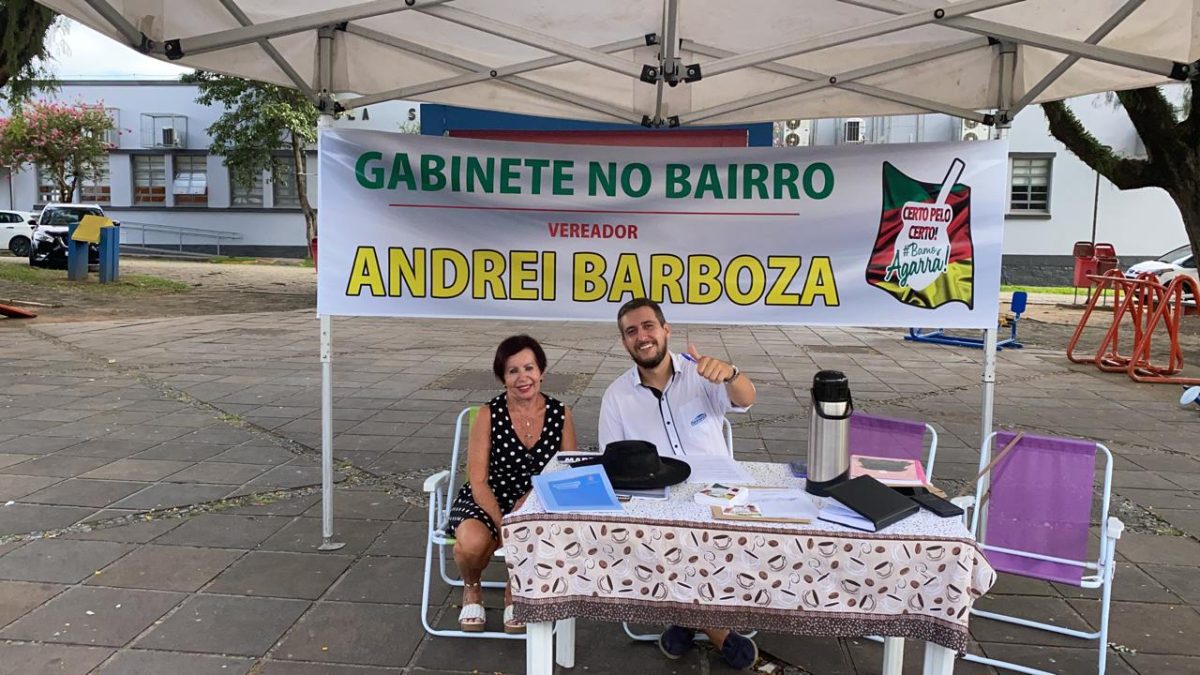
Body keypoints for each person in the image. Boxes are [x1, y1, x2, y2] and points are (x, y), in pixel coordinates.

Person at [598, 297, 760, 669]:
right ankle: (718, 632)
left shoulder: (702, 374)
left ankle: (684, 620)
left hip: (717, 495)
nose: (642, 337)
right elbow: (614, 465)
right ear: (624, 342)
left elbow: (747, 398)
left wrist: (732, 374)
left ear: (665, 330)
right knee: (653, 541)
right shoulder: (616, 397)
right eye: (631, 331)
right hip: (657, 499)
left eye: (648, 326)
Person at [446, 334, 577, 633]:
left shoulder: (561, 413)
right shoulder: (488, 414)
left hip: (539, 496)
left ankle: (514, 588)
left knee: (540, 531)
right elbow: (478, 481)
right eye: (512, 370)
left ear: (541, 371)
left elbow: (565, 472)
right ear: (502, 378)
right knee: (471, 544)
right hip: (489, 496)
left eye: (529, 368)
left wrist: (531, 498)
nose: (523, 377)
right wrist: (504, 522)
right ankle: (472, 586)